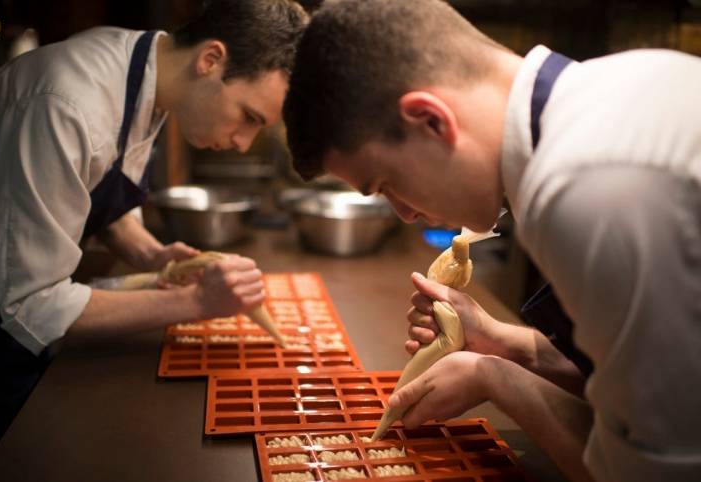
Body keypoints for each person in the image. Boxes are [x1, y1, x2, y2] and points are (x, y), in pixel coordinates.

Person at [282, 0, 701, 481]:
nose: (404, 212)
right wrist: (505, 345)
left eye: (386, 183)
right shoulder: (618, 87)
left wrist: (495, 378)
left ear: (430, 120)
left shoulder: (592, 187)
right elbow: (635, 386)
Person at [0, 0, 307, 462]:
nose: (241, 143)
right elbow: (31, 304)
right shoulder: (68, 103)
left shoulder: (147, 75)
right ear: (210, 61)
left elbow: (91, 185)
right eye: (249, 117)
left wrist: (154, 255)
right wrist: (195, 303)